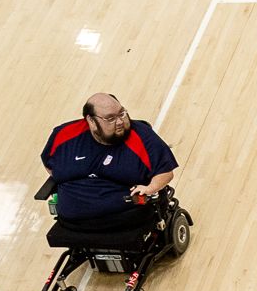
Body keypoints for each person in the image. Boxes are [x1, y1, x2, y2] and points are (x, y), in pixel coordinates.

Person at [41, 93, 180, 241]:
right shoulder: (64, 135)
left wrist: (150, 189)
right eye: (110, 118)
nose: (120, 121)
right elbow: (49, 163)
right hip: (73, 221)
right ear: (91, 121)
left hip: (123, 219)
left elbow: (165, 171)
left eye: (122, 113)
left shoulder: (142, 136)